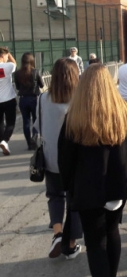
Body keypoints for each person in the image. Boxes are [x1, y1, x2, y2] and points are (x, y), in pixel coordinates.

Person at [58, 64, 127, 277]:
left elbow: (65, 158)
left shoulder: (74, 117)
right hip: (117, 184)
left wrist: (68, 186)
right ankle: (112, 276)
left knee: (95, 241)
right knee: (112, 231)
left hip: (87, 188)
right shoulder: (124, 111)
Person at [38, 58, 82, 259]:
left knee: (54, 196)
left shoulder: (43, 99)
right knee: (74, 200)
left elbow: (37, 128)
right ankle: (70, 244)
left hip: (50, 159)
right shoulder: (80, 99)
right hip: (75, 160)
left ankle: (57, 233)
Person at [15, 52, 44, 150]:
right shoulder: (36, 71)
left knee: (25, 121)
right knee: (36, 119)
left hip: (23, 99)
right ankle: (34, 138)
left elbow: (18, 87)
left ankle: (29, 143)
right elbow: (42, 85)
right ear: (32, 61)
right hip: (34, 98)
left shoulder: (18, 73)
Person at [0, 47, 17, 156]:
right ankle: (5, 141)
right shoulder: (7, 66)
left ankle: (2, 142)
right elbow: (14, 63)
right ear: (2, 56)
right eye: (6, 56)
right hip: (9, 99)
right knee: (10, 122)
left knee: (0, 123)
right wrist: (9, 53)